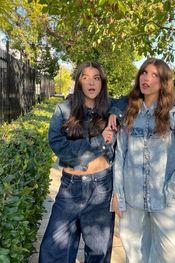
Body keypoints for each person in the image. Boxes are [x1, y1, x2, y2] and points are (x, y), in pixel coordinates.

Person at [111, 58, 175, 263]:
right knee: (135, 253)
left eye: (154, 75)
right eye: (144, 73)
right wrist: (118, 194)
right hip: (133, 198)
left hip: (164, 198)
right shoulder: (129, 114)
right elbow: (121, 155)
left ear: (163, 82)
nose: (147, 78)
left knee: (172, 255)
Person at [39, 60, 118, 263]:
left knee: (98, 253)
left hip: (102, 188)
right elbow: (58, 145)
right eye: (85, 77)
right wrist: (99, 143)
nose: (91, 82)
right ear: (79, 82)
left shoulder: (111, 107)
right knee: (53, 250)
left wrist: (115, 112)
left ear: (102, 82)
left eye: (96, 77)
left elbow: (133, 99)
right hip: (70, 188)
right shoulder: (64, 109)